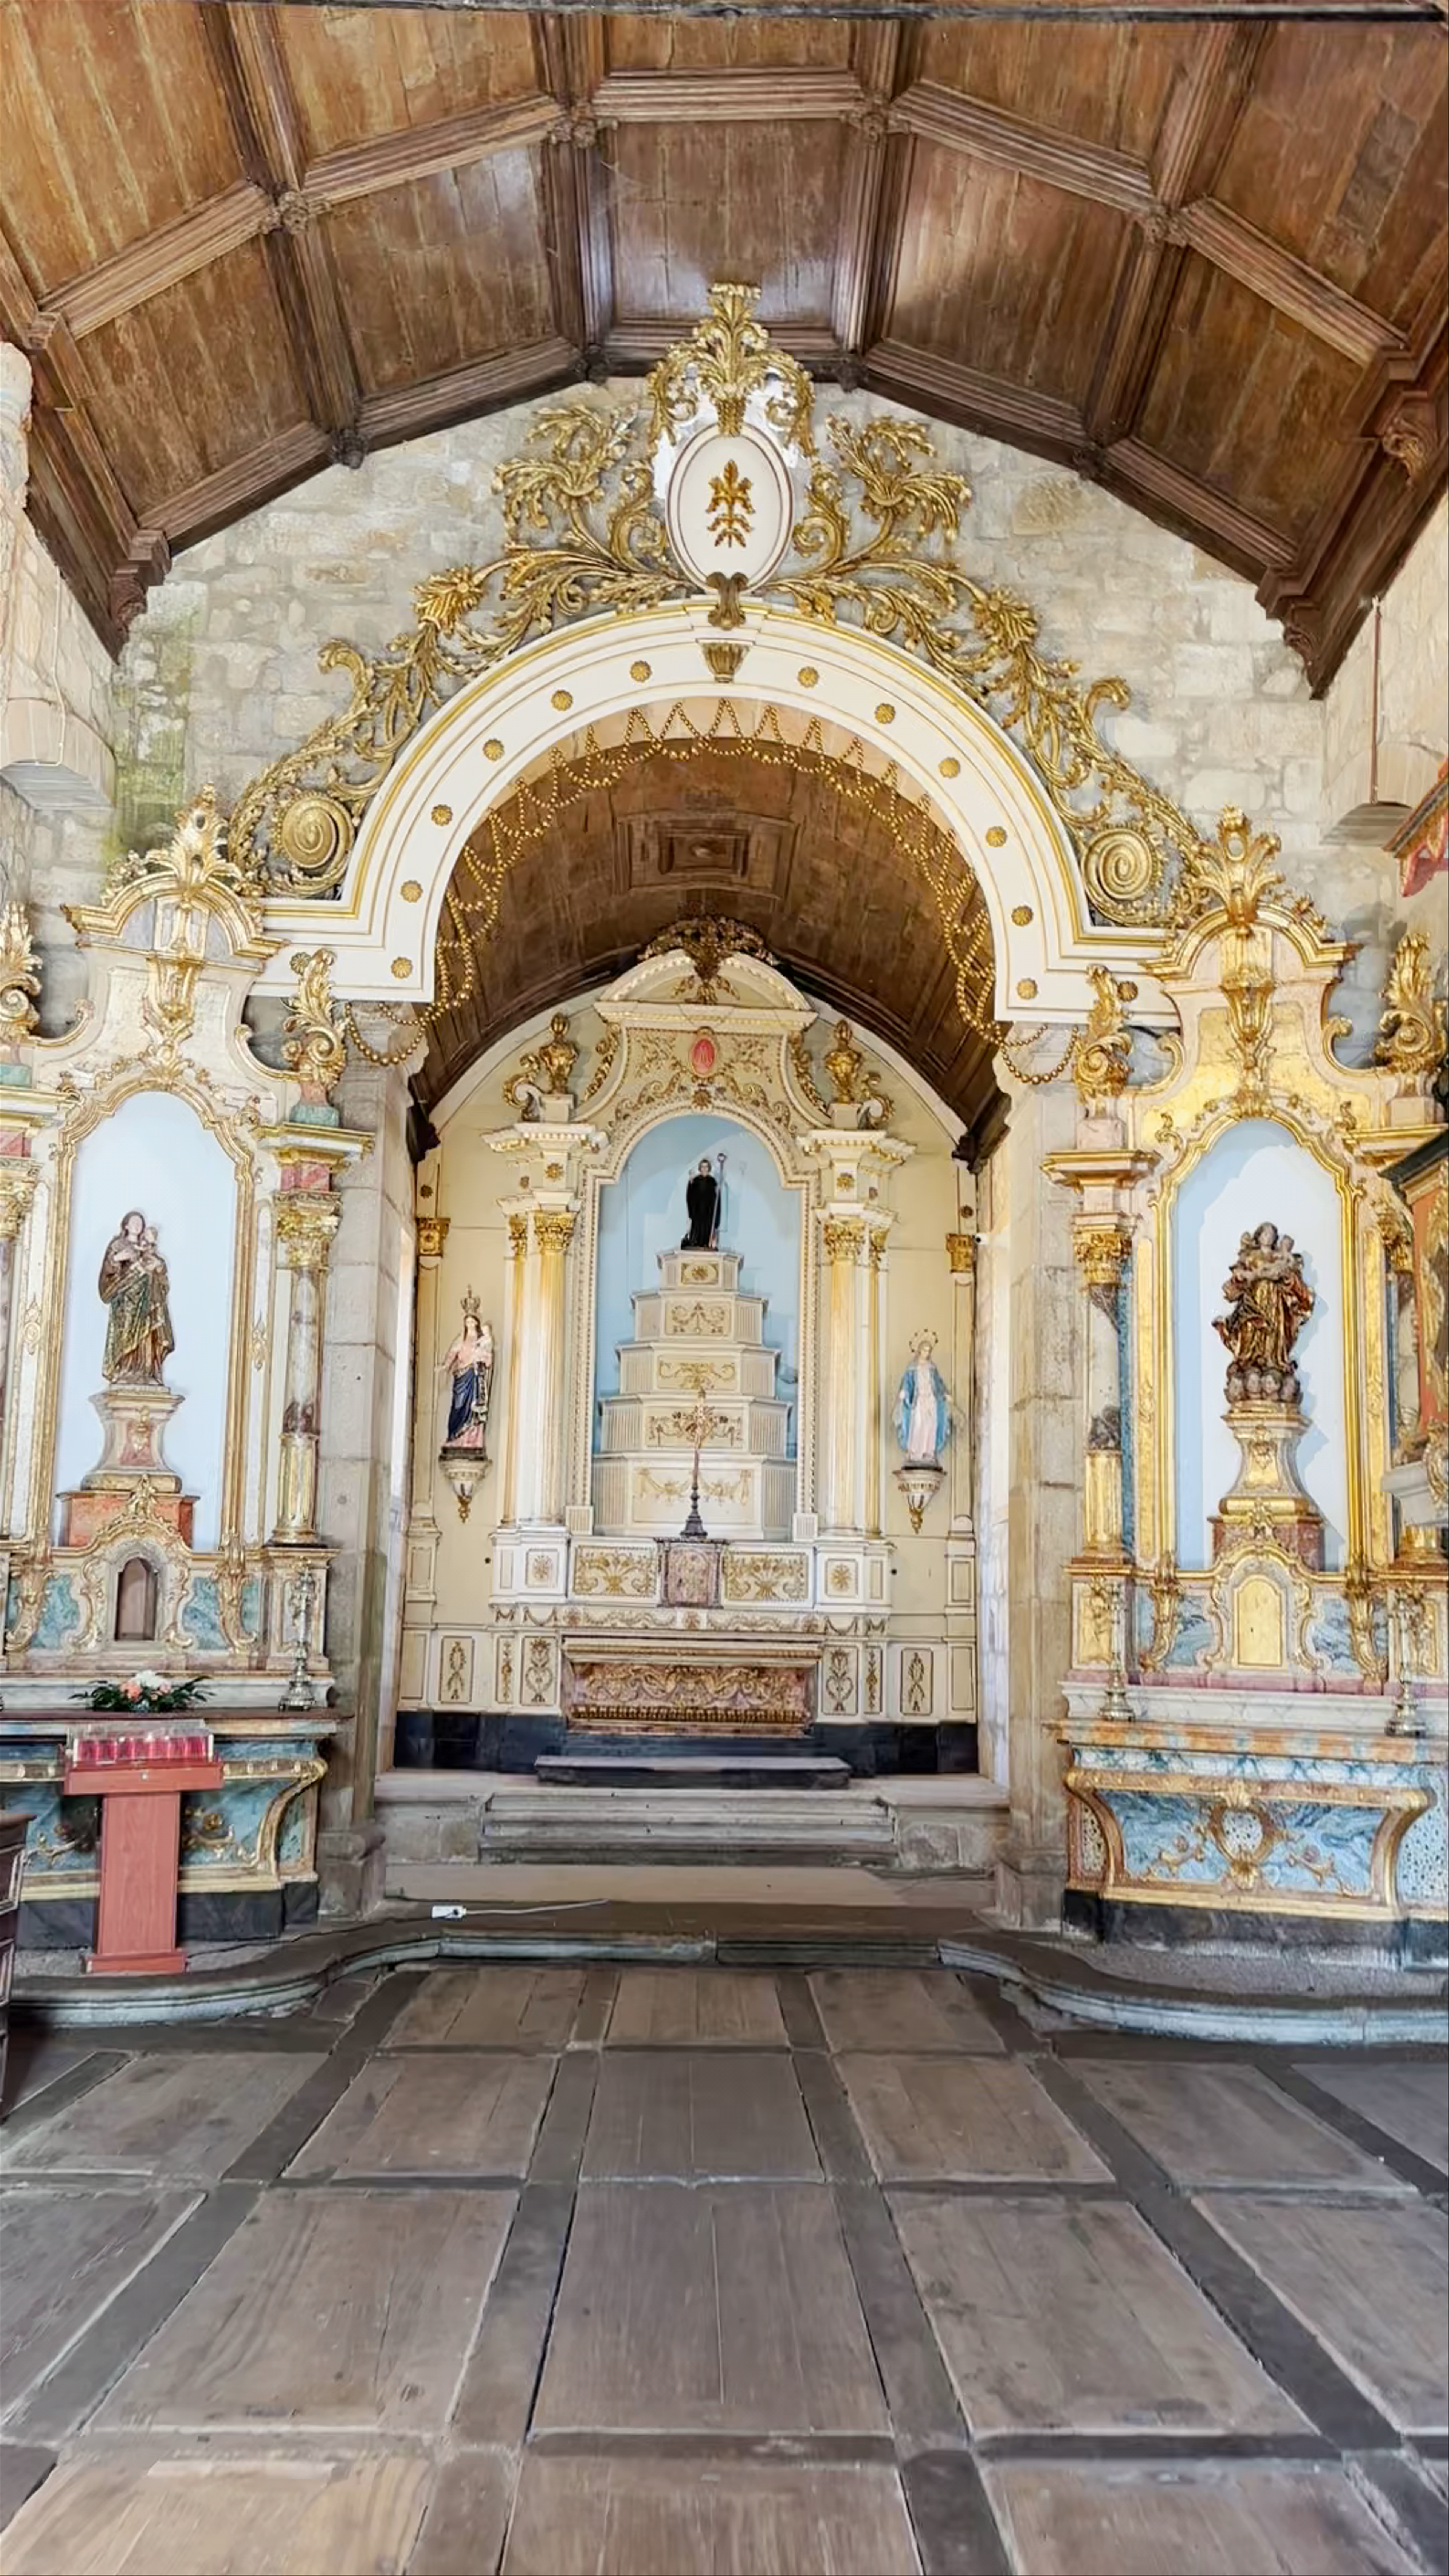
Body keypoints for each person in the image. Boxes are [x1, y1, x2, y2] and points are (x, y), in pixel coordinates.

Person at [98, 1211, 175, 1386]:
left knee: (146, 1335)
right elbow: (108, 1273)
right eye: (133, 1222)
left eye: (140, 1223)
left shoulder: (146, 1247)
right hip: (125, 1303)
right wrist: (117, 1259)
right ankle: (125, 1370)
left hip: (147, 1301)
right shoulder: (118, 1245)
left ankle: (146, 1372)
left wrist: (159, 1266)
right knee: (126, 1335)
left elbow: (158, 1271)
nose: (137, 1225)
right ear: (126, 1225)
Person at [894, 1330, 951, 1466]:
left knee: (930, 1424)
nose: (926, 1353)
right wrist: (904, 1393)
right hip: (919, 1400)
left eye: (928, 1351)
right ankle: (915, 1453)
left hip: (930, 1399)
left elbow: (938, 1383)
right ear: (919, 1351)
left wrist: (945, 1394)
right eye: (924, 1350)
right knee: (919, 1424)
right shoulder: (913, 1368)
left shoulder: (932, 1368)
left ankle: (928, 1453)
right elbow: (908, 1384)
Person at [441, 1305, 494, 1451]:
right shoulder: (461, 1340)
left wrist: (485, 1357)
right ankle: (455, 1438)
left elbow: (488, 1359)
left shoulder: (481, 1340)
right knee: (458, 1407)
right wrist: (445, 1366)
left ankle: (472, 1440)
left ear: (477, 1323)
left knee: (474, 1408)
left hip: (475, 1378)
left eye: (472, 1322)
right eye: (467, 1322)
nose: (470, 1324)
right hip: (461, 1378)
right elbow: (452, 1355)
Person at [681, 1157, 720, 1251]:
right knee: (697, 1228)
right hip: (698, 1211)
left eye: (706, 1167)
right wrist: (690, 1184)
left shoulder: (712, 1181)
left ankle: (707, 1244)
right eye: (703, 1167)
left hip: (709, 1211)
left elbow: (716, 1199)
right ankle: (696, 1243)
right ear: (700, 1168)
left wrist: (718, 1191)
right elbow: (690, 1197)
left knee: (708, 1228)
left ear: (709, 1168)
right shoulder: (696, 1181)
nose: (704, 1169)